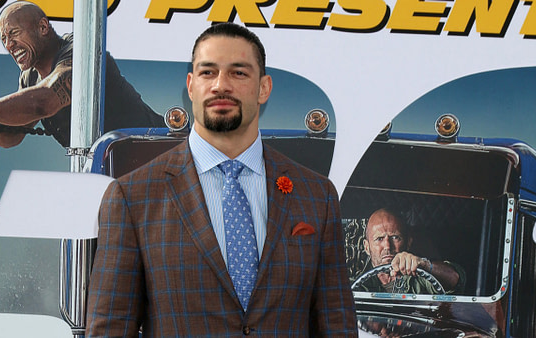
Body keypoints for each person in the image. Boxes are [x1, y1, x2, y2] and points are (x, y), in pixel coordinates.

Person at [86, 23, 358, 336]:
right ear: (190, 86)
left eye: (238, 73)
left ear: (264, 88)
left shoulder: (316, 196)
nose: (220, 85)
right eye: (207, 72)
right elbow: (110, 330)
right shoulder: (131, 197)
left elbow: (337, 326)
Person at [0, 1, 164, 148]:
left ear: (42, 27)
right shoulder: (30, 77)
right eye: (4, 39)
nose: (9, 45)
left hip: (157, 155)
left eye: (14, 33)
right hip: (113, 170)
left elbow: (42, 103)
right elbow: (13, 136)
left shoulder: (82, 52)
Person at [355, 208, 465, 294]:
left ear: (408, 242)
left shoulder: (420, 277)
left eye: (395, 237)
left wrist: (425, 265)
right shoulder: (356, 285)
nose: (387, 246)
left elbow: (454, 279)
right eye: (379, 239)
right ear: (367, 247)